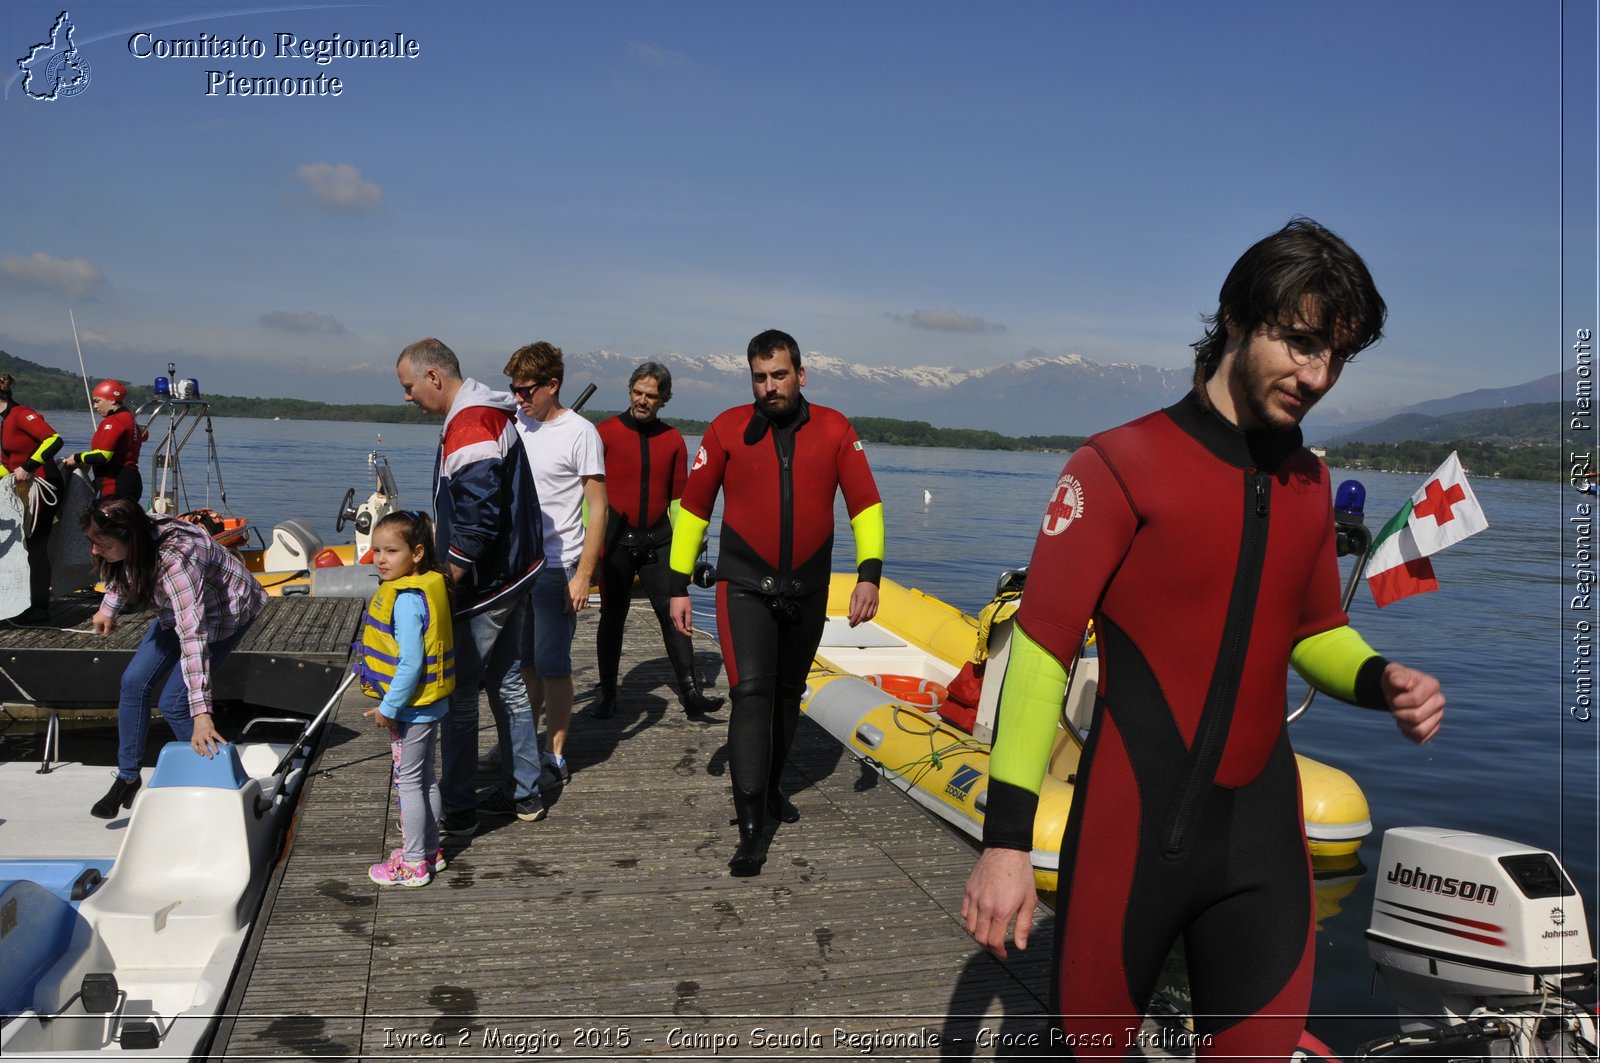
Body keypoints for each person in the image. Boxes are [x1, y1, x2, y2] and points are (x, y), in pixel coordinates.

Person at [960, 218, 1447, 1056]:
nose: (1318, 374)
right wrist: (1005, 844)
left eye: (1336, 356)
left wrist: (1380, 679)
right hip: (1127, 842)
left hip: (1260, 848)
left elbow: (1315, 629)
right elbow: (1040, 652)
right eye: (1299, 343)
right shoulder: (1117, 465)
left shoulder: (1309, 481)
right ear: (1233, 316)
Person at [668, 329, 884, 876]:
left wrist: (870, 575)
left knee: (788, 698)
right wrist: (675, 586)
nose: (770, 387)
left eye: (780, 375)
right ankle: (749, 833)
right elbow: (694, 507)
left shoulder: (835, 429)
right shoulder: (726, 430)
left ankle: (769, 791)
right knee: (751, 697)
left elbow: (865, 504)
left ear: (801, 375)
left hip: (808, 590)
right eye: (760, 378)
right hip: (743, 587)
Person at [397, 338, 547, 834]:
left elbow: (478, 520)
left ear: (434, 378)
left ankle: (459, 806)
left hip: (487, 584)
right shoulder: (488, 414)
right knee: (507, 685)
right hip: (515, 574)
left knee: (458, 694)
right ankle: (526, 793)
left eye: (409, 387)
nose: (408, 397)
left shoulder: (470, 424)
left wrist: (446, 578)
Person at [82, 494, 268, 819]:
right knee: (133, 682)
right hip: (178, 607)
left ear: (129, 537)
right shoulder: (139, 532)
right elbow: (125, 564)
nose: (95, 551)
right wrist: (108, 608)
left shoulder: (176, 560)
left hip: (225, 613)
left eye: (102, 544)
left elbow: (193, 636)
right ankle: (127, 777)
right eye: (93, 543)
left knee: (175, 704)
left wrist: (202, 713)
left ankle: (223, 786)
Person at [503, 341, 607, 787]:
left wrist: (583, 574)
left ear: (553, 385)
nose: (519, 397)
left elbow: (598, 508)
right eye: (514, 389)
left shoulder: (582, 432)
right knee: (523, 663)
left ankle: (555, 753)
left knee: (552, 664)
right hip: (517, 567)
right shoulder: (514, 425)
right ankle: (526, 743)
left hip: (558, 566)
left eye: (526, 390)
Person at [595, 363, 724, 720]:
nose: (642, 400)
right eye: (638, 392)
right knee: (612, 617)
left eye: (651, 395)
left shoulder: (672, 440)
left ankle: (691, 694)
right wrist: (587, 549)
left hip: (659, 540)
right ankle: (607, 695)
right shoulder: (604, 433)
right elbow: (590, 497)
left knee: (675, 615)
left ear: (663, 399)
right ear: (630, 390)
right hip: (615, 541)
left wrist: (693, 550)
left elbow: (680, 503)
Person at [358, 511, 454, 889]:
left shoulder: (406, 600)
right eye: (376, 550)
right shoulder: (425, 585)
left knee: (409, 782)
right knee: (425, 777)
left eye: (391, 551)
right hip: (429, 705)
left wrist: (389, 707)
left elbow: (412, 661)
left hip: (411, 708)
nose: (380, 559)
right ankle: (431, 850)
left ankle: (414, 862)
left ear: (416, 553)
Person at [0, 373, 65, 626]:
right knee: (22, 546)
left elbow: (54, 439)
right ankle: (22, 601)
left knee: (35, 545)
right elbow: (7, 466)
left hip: (42, 485)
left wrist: (30, 464)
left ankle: (39, 607)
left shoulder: (21, 414)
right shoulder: (3, 423)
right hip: (22, 486)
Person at [62, 379, 144, 501]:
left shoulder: (114, 421)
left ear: (112, 400)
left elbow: (103, 456)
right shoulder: (129, 419)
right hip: (131, 481)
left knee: (107, 519)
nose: (95, 406)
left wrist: (76, 458)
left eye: (97, 401)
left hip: (114, 483)